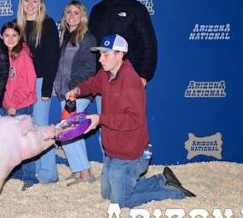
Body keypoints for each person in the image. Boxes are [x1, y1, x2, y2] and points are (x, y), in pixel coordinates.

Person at [66, 34, 195, 208]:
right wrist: (78, 89)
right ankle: (161, 180)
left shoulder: (130, 81)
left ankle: (175, 192)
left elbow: (134, 120)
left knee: (120, 202)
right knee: (107, 194)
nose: (101, 59)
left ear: (120, 55)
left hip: (130, 152)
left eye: (106, 54)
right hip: (113, 149)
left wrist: (100, 119)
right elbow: (93, 84)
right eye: (100, 54)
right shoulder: (106, 73)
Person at [15, 0, 59, 184]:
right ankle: (30, 171)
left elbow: (52, 58)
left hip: (41, 81)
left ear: (41, 4)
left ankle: (48, 173)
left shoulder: (48, 24)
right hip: (21, 83)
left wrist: (47, 87)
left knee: (41, 127)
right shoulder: (17, 27)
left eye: (35, 1)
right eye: (27, 0)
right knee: (25, 127)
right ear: (21, 3)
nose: (30, 5)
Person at [89, 0, 157, 86]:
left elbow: (149, 44)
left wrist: (143, 75)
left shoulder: (136, 9)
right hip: (102, 78)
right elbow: (90, 44)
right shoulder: (96, 10)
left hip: (128, 78)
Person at [52, 1, 97, 185]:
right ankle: (79, 171)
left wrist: (74, 87)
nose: (71, 16)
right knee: (71, 131)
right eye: (68, 12)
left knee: (70, 130)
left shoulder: (87, 38)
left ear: (82, 16)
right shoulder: (65, 35)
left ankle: (85, 173)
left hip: (77, 92)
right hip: (65, 91)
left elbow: (89, 68)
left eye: (76, 13)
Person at [0, 21, 38, 190]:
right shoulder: (2, 54)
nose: (10, 38)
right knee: (10, 141)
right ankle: (17, 173)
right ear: (1, 37)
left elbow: (29, 83)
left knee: (25, 141)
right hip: (6, 105)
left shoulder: (22, 55)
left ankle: (30, 177)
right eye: (7, 35)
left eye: (14, 35)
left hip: (21, 105)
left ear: (20, 37)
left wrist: (14, 104)